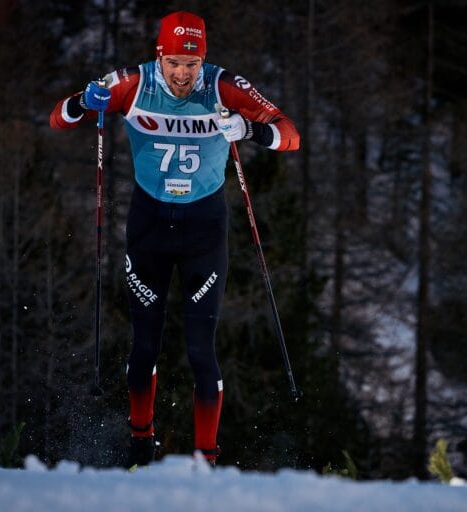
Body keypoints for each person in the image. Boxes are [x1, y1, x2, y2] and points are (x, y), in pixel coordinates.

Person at [49, 11, 300, 468]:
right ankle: (140, 446)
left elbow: (291, 135)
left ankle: (206, 462)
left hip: (204, 231)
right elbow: (59, 118)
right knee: (144, 346)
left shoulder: (223, 86)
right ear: (159, 56)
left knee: (200, 350)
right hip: (148, 229)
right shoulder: (132, 83)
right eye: (175, 64)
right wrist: (84, 102)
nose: (184, 75)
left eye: (193, 64)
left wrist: (251, 130)